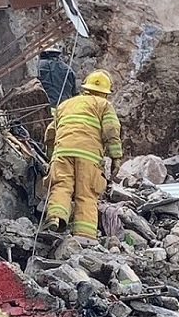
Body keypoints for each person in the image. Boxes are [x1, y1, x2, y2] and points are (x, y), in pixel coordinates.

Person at [42, 70, 122, 238]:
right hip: (88, 156)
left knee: (61, 186)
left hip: (62, 152)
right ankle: (84, 236)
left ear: (85, 87)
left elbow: (50, 133)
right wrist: (116, 157)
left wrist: (51, 156)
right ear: (105, 93)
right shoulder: (103, 105)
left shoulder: (66, 104)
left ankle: (56, 217)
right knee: (86, 194)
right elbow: (111, 130)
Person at [38, 45, 77, 110]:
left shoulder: (38, 67)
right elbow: (74, 92)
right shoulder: (67, 68)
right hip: (65, 108)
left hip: (45, 109)